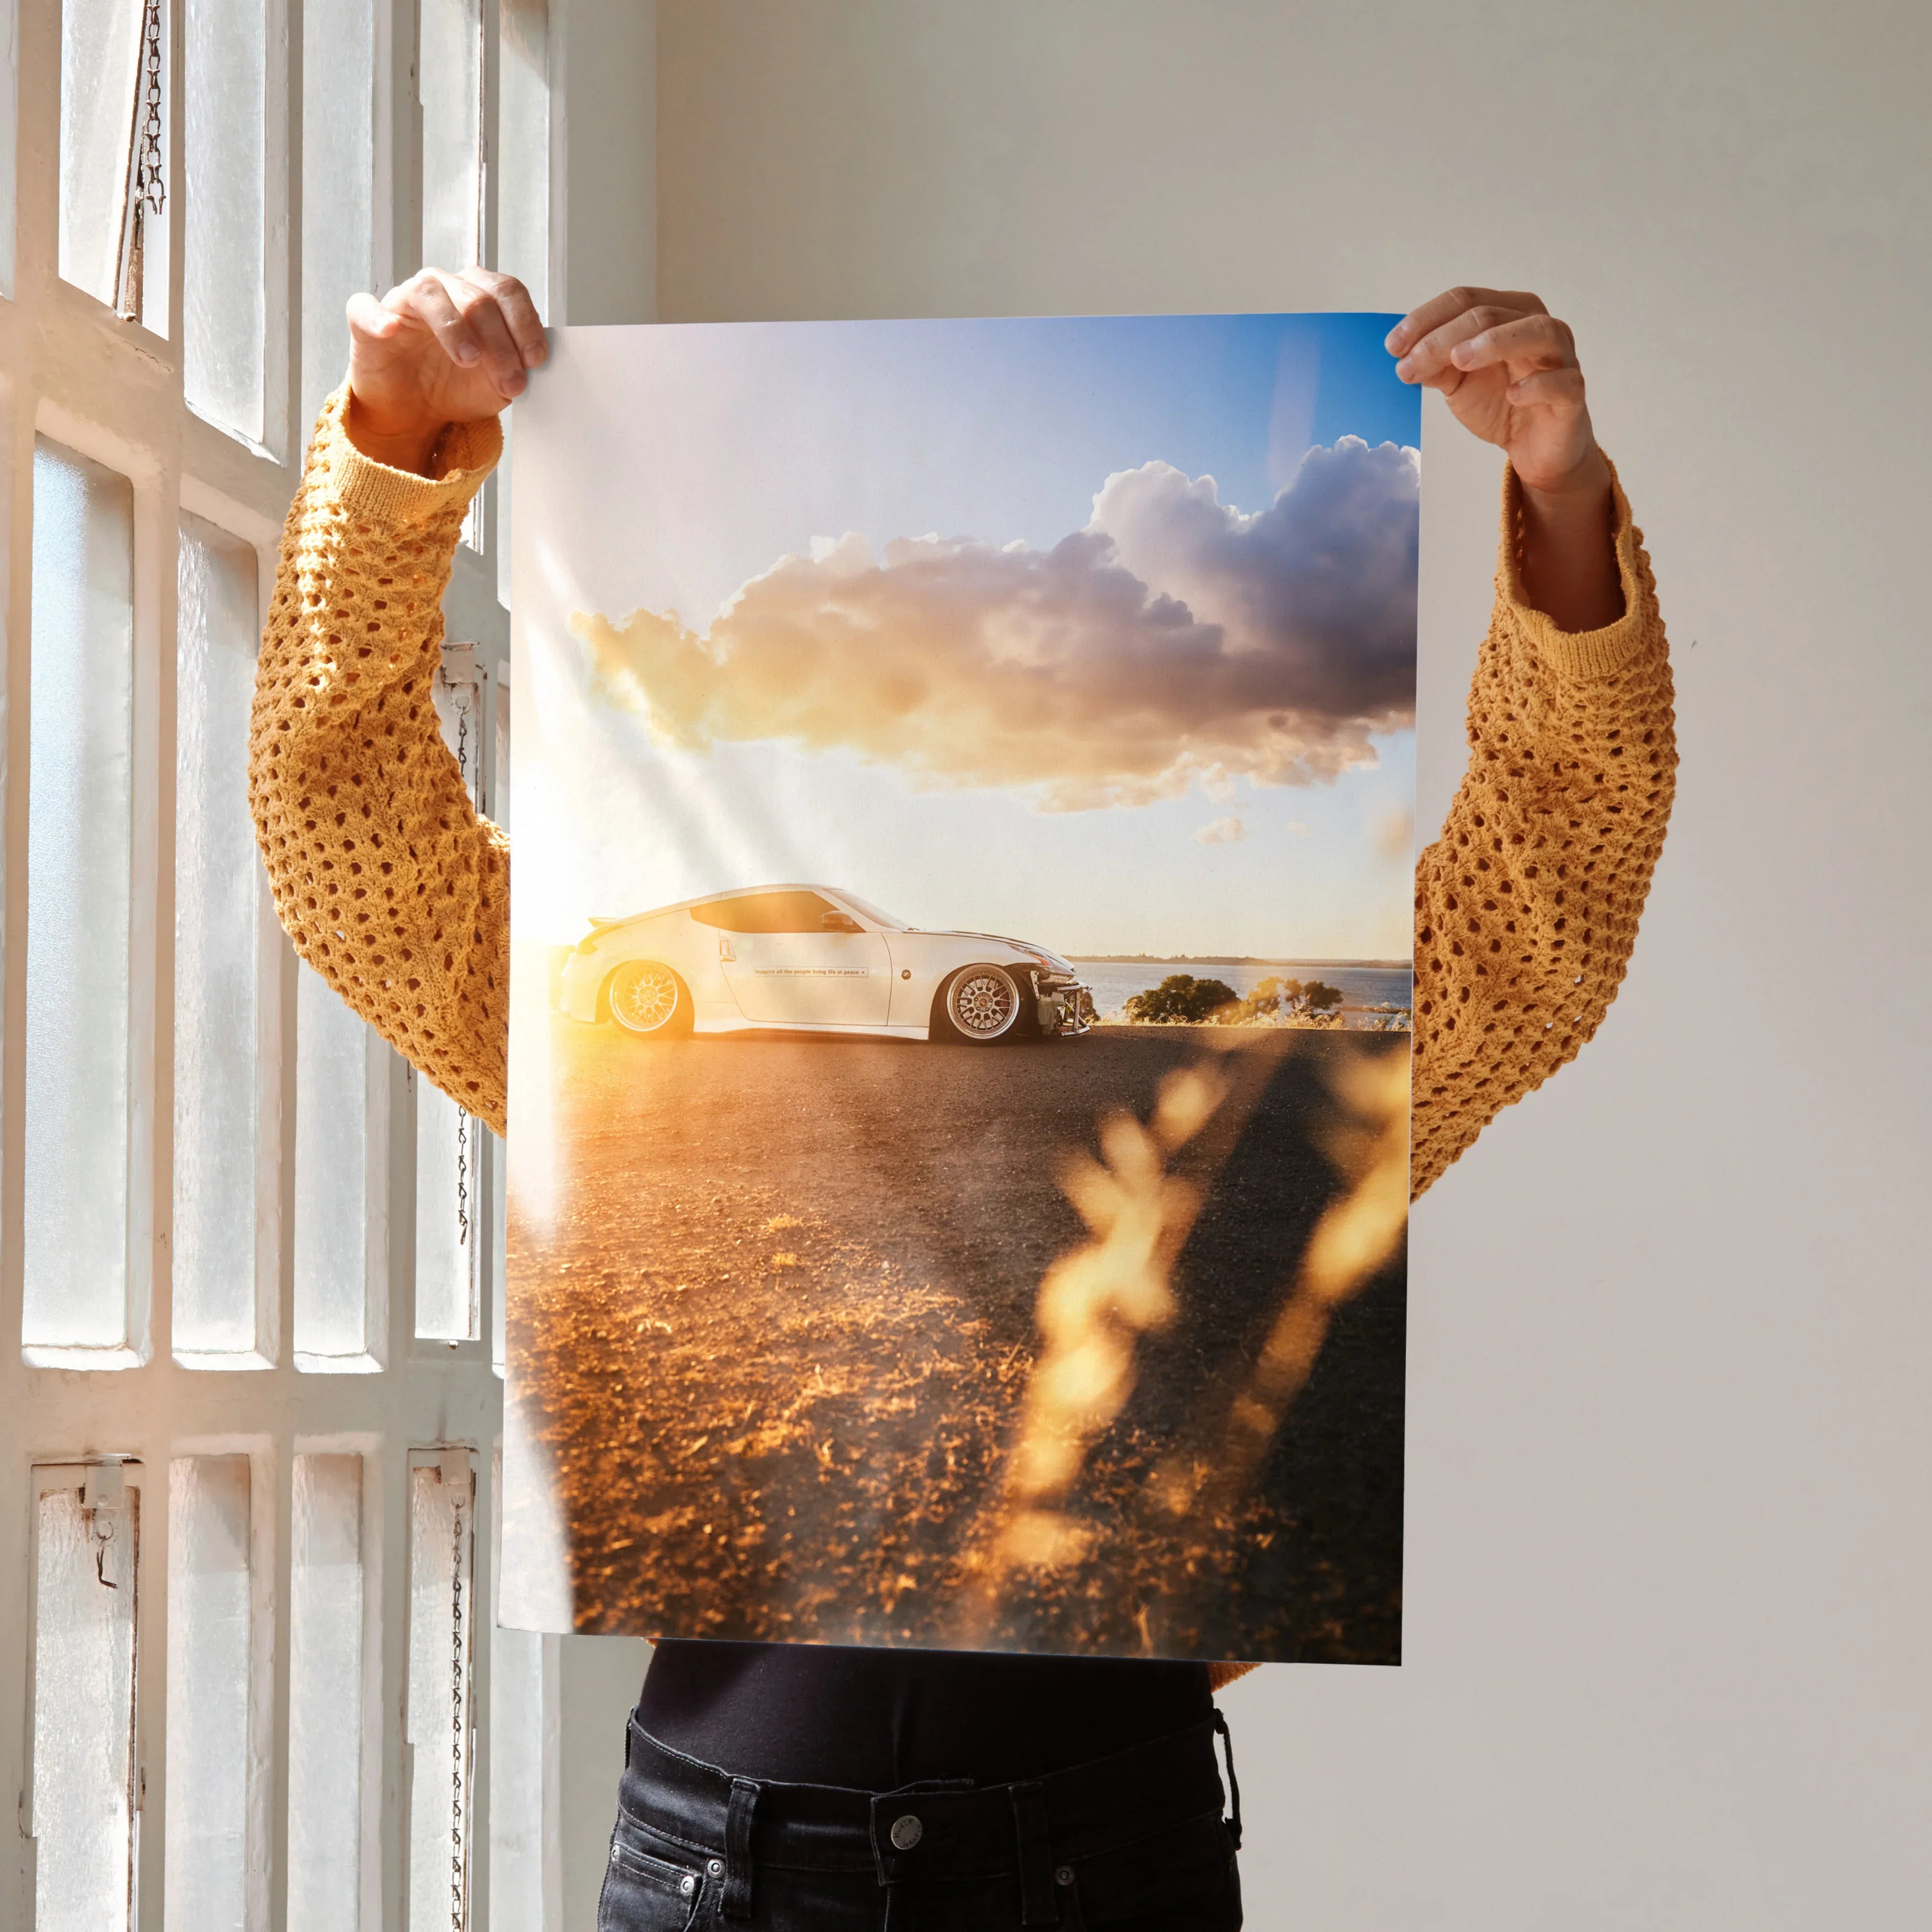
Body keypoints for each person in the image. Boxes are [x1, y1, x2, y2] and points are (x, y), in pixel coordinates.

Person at [250, 271, 1675, 1930]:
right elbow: (348, 840)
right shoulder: (615, 1049)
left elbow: (1546, 899)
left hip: (1106, 1852)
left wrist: (1558, 497)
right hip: (725, 1865)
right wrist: (392, 452)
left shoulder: (1267, 1092)